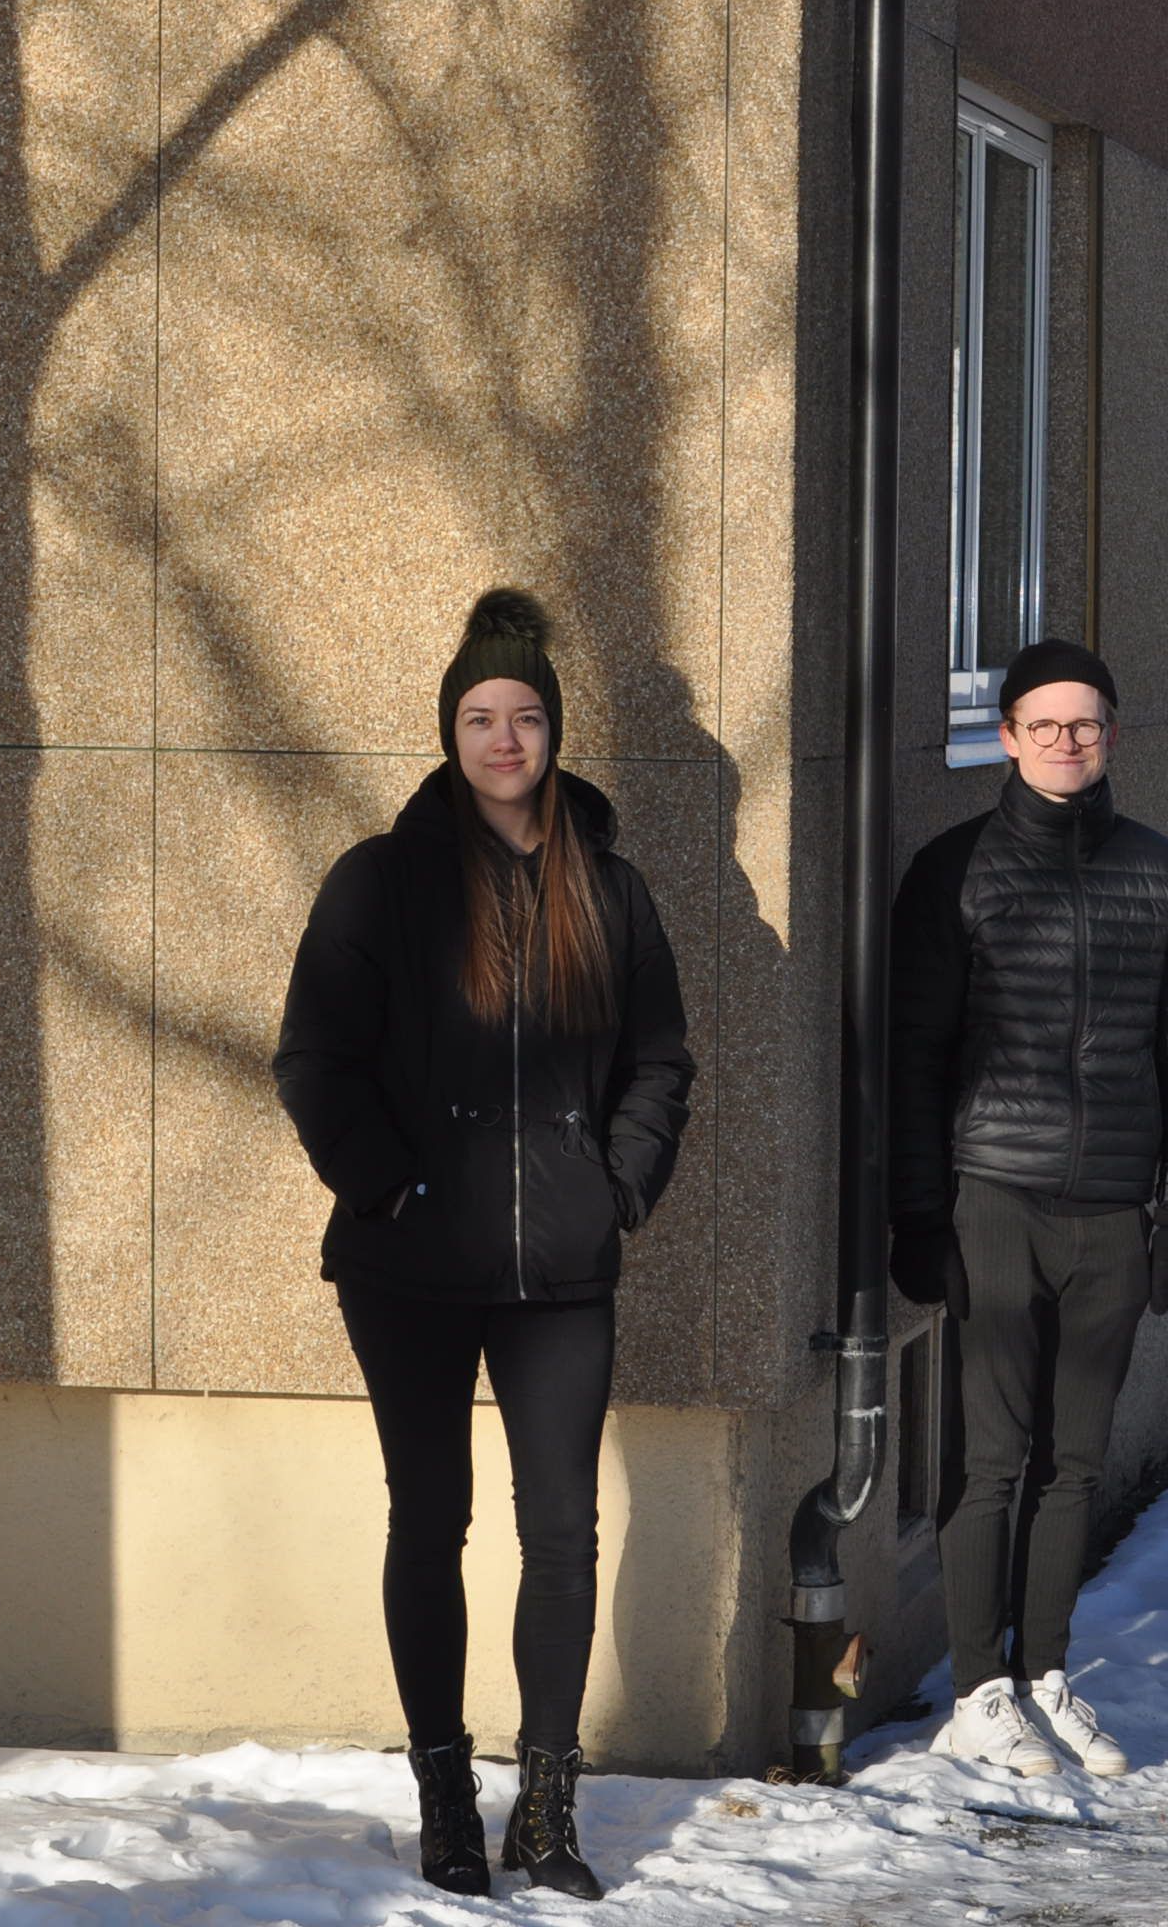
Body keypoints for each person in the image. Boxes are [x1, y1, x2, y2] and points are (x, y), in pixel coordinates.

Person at [275, 589, 695, 1901]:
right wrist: (393, 1190)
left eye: (525, 718)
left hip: (560, 1270)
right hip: (407, 1265)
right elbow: (315, 1060)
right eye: (479, 717)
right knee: (431, 1520)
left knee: (562, 1532)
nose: (504, 739)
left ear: (554, 734)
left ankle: (547, 1810)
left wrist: (618, 1188)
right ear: (450, 733)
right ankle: (448, 1797)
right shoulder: (381, 881)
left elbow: (661, 1061)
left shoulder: (609, 890)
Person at [888, 640, 1168, 1780]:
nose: (1067, 742)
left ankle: (1044, 1676)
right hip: (993, 1196)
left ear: (1112, 736)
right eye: (1045, 725)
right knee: (991, 1458)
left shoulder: (1160, 871)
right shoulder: (956, 870)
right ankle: (979, 1690)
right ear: (1007, 737)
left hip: (1114, 1207)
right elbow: (915, 1054)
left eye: (1086, 725)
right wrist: (918, 1214)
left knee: (1076, 1462)